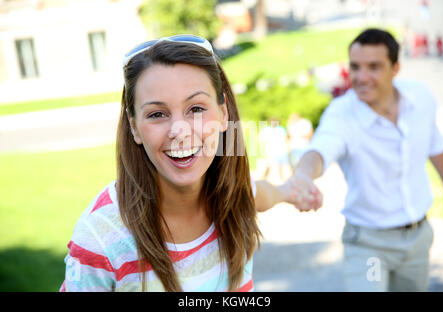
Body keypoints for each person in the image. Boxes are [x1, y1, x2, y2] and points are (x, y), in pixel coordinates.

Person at [59, 35, 321, 292]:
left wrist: (292, 191)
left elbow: (264, 193)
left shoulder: (234, 192)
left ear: (223, 112)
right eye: (157, 114)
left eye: (196, 109)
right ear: (133, 126)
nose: (180, 131)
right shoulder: (100, 240)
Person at [292, 28, 443, 291]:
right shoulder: (341, 114)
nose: (362, 77)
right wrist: (303, 175)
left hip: (418, 238)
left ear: (395, 68)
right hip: (370, 246)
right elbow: (320, 150)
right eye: (355, 67)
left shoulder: (420, 97)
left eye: (374, 67)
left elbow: (435, 145)